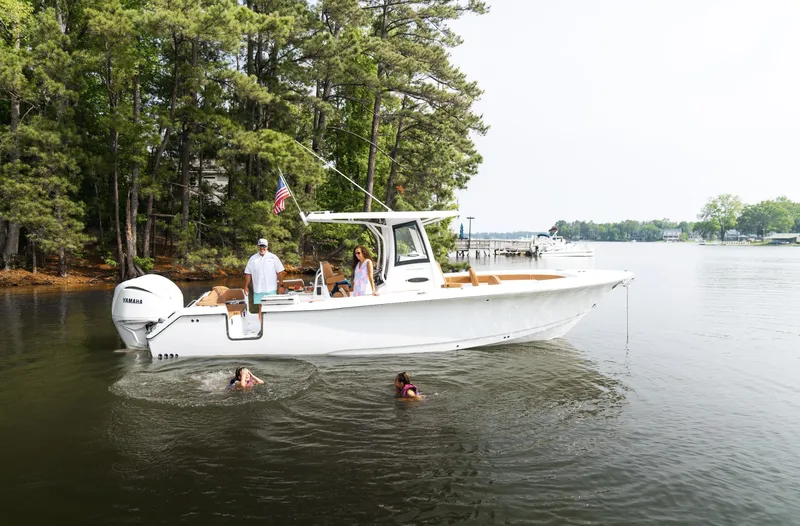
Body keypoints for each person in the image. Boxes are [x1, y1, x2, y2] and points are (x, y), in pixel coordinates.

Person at [244, 238, 286, 320]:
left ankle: (271, 325)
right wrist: (246, 286)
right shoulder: (252, 258)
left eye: (264, 246)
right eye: (260, 246)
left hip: (271, 289)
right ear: (258, 246)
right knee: (261, 308)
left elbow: (280, 272)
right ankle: (261, 327)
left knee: (271, 308)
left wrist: (281, 285)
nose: (262, 248)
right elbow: (248, 273)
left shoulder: (273, 257)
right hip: (258, 289)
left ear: (267, 246)